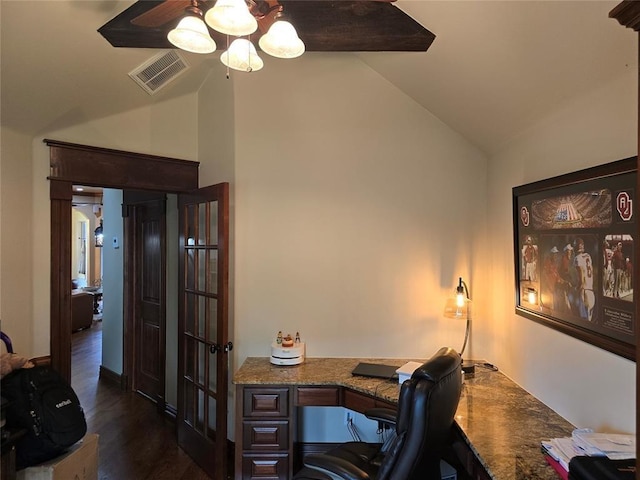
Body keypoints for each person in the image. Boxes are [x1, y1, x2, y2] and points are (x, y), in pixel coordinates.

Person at [573, 238, 595, 321]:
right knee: (589, 321)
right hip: (591, 291)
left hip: (584, 292)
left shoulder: (577, 258)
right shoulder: (588, 256)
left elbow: (581, 276)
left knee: (583, 321)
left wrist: (577, 288)